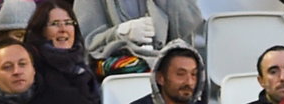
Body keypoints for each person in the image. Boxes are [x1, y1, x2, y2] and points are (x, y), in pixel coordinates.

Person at [73, 0, 202, 77]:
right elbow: (88, 42)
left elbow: (189, 23)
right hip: (115, 67)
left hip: (162, 61)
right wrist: (122, 32)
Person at [24, 0, 99, 104]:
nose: (63, 29)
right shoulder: (34, 69)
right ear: (41, 30)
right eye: (55, 24)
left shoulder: (82, 68)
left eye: (68, 23)